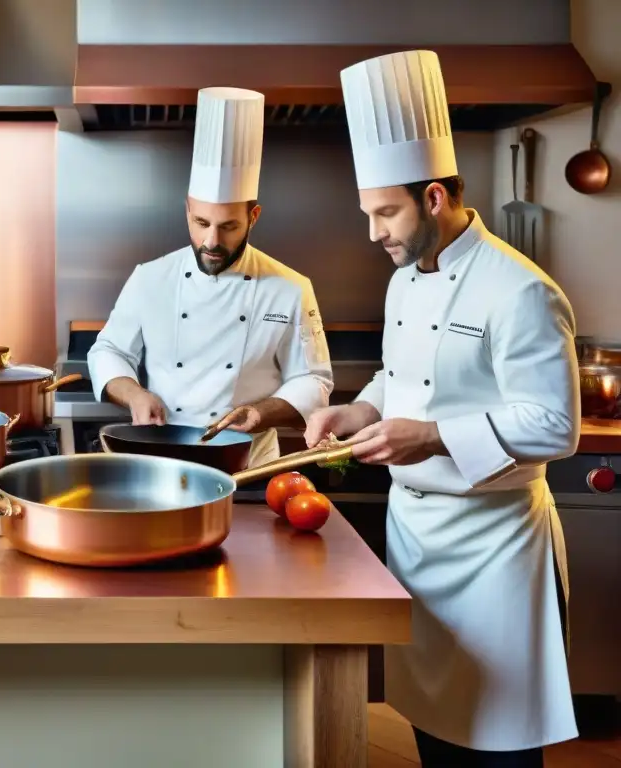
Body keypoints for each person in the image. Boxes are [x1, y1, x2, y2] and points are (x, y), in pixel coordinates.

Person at [305, 49, 579, 766]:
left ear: (432, 197)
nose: (374, 233)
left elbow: (555, 424)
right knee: (434, 734)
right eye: (367, 214)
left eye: (385, 212)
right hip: (419, 544)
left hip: (495, 552)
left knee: (499, 744)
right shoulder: (406, 279)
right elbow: (403, 380)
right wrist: (358, 411)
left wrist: (429, 437)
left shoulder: (520, 289)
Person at [87, 86, 334, 467]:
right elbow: (109, 351)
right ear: (187, 210)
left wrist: (260, 413)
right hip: (163, 459)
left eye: (229, 226)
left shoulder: (291, 289)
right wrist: (135, 394)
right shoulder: (150, 279)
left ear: (253, 217)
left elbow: (313, 381)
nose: (211, 241)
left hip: (248, 465)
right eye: (201, 222)